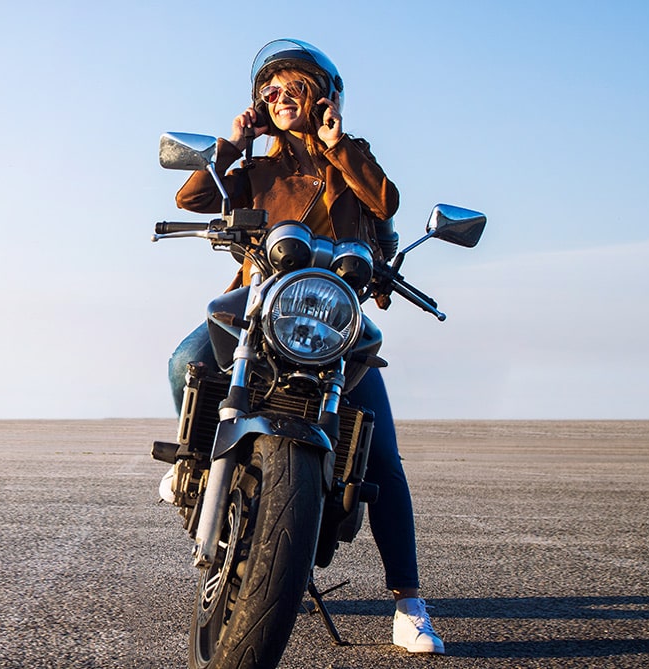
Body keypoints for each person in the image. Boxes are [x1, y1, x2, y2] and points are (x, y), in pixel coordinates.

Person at [158, 38, 444, 655]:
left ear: (321, 98)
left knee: (385, 461)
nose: (280, 98)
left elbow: (384, 203)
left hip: (331, 323)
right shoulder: (256, 170)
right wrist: (232, 142)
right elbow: (192, 199)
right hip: (259, 306)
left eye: (294, 89)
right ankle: (198, 461)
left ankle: (410, 602)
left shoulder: (351, 158)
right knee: (186, 360)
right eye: (270, 91)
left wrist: (338, 146)